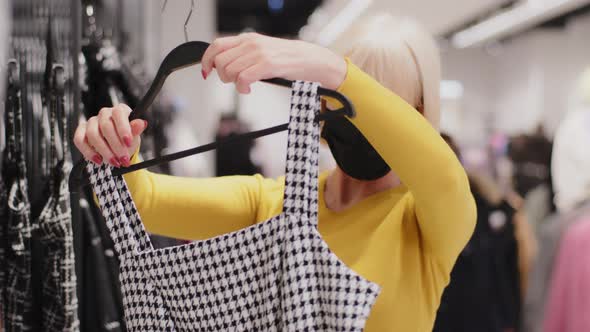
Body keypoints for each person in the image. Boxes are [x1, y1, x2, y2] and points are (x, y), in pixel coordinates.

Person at [73, 14, 476, 331]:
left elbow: (443, 177)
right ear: (322, 105)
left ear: (417, 115)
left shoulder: (427, 224)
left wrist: (333, 69)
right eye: (341, 100)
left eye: (377, 106)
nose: (358, 119)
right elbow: (138, 201)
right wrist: (112, 149)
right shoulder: (277, 205)